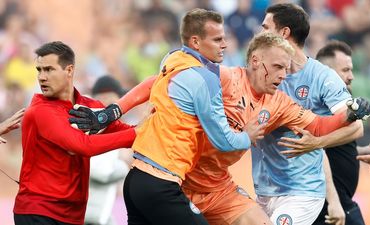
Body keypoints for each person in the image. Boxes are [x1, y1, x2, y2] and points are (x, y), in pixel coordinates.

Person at [71, 32, 370, 225]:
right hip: (177, 178)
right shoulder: (223, 78)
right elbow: (160, 81)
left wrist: (350, 113)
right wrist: (114, 110)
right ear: (256, 61)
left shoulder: (280, 103)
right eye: (279, 67)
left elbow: (320, 126)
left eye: (288, 69)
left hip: (218, 186)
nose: (285, 75)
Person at [69, 8, 265, 225]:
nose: (225, 44)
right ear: (196, 42)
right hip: (161, 183)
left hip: (135, 181)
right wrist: (247, 136)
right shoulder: (205, 80)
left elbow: (151, 82)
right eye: (217, 39)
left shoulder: (173, 59)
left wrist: (111, 112)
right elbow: (224, 140)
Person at [252, 3, 365, 225]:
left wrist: (317, 142)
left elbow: (357, 127)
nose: (260, 33)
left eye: (266, 27)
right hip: (265, 190)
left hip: (304, 191)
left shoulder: (322, 77)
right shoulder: (260, 73)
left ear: (283, 33)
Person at [13, 41, 137, 225]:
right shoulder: (39, 111)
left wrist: (149, 128)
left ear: (69, 70)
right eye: (39, 70)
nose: (42, 77)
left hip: (73, 215)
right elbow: (82, 146)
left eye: (49, 69)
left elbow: (126, 131)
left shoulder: (90, 106)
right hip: (38, 211)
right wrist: (136, 134)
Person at [311, 41, 366, 225]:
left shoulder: (338, 105)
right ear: (326, 73)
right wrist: (333, 201)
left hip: (339, 203)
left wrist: (360, 152)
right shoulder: (318, 106)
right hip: (332, 205)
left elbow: (332, 146)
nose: (351, 76)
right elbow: (315, 151)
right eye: (345, 70)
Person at [84, 76, 130, 225]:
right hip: (86, 215)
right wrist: (123, 166)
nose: (121, 106)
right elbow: (100, 171)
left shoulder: (107, 128)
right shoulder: (93, 128)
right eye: (118, 100)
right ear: (108, 99)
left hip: (98, 216)